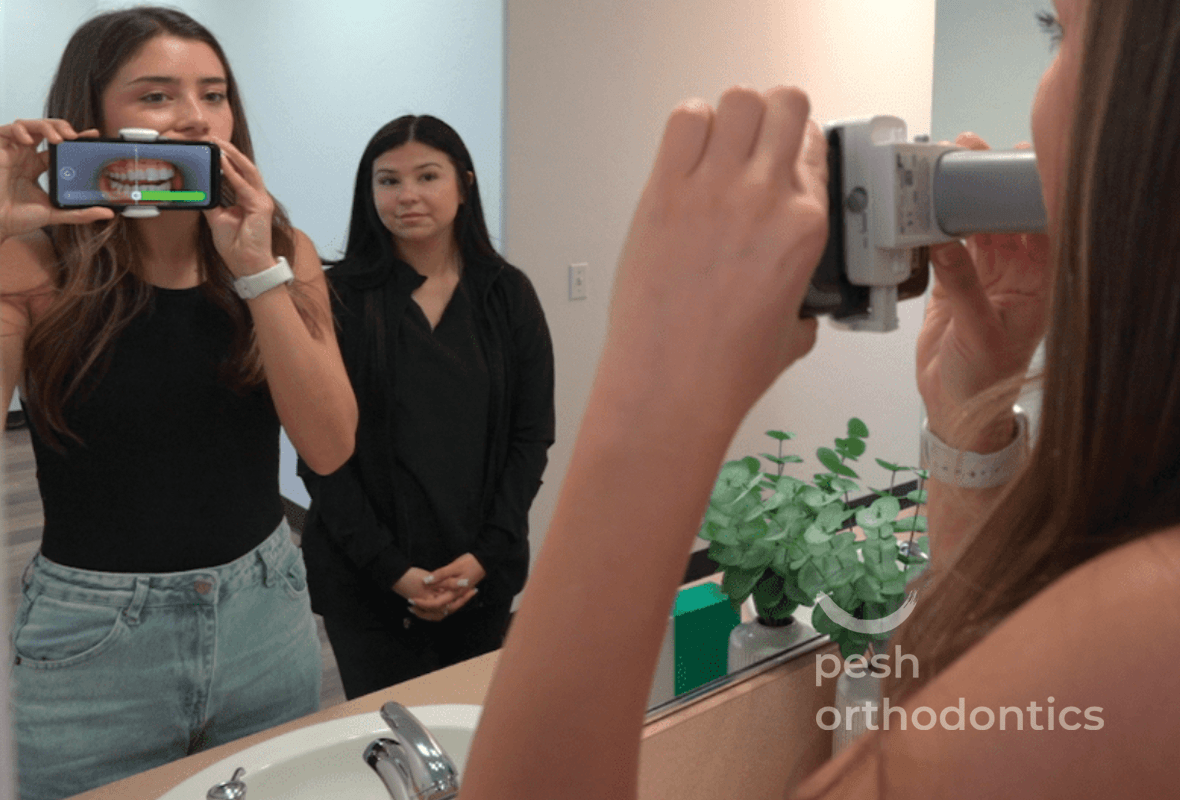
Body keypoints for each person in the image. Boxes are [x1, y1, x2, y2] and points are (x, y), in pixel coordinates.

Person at [455, 0, 1180, 798]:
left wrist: (655, 386)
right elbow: (974, 699)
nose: (1036, 99)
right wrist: (968, 417)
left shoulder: (1147, 627)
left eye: (1058, 30)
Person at [0, 8, 357, 800]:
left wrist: (256, 270)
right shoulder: (33, 261)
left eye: (215, 93)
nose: (196, 116)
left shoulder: (279, 249)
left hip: (267, 615)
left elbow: (329, 447)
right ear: (92, 118)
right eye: (156, 95)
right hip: (91, 647)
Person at [299, 115, 554, 699]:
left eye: (427, 176)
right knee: (385, 736)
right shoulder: (335, 298)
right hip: (365, 577)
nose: (406, 195)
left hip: (480, 571)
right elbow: (319, 457)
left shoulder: (507, 294)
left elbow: (532, 436)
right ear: (370, 195)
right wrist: (393, 570)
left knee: (469, 729)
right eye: (388, 181)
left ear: (463, 185)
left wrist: (484, 557)